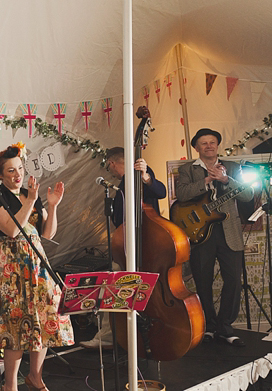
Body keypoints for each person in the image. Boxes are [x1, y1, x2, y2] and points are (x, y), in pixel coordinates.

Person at [0, 143, 74, 391]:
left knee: (43, 320)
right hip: (10, 268)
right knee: (15, 325)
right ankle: (10, 385)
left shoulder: (29, 195)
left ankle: (35, 377)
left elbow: (48, 233)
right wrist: (30, 201)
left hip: (36, 263)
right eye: (11, 171)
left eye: (20, 168)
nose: (17, 174)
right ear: (0, 175)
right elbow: (11, 230)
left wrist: (52, 206)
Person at [80, 146, 166, 349]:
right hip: (133, 244)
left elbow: (160, 191)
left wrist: (145, 176)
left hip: (141, 244)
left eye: (109, 166)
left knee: (115, 285)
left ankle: (110, 336)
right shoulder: (123, 185)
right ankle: (117, 335)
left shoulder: (139, 174)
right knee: (121, 285)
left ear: (111, 163)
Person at [176, 128, 254, 347]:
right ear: (196, 148)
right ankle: (208, 326)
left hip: (229, 233)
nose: (209, 146)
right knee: (202, 280)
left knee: (233, 281)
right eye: (203, 143)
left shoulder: (232, 167)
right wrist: (207, 180)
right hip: (201, 233)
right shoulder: (187, 170)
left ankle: (225, 327)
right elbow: (181, 194)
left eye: (212, 142)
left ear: (217, 145)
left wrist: (226, 179)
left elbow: (248, 194)